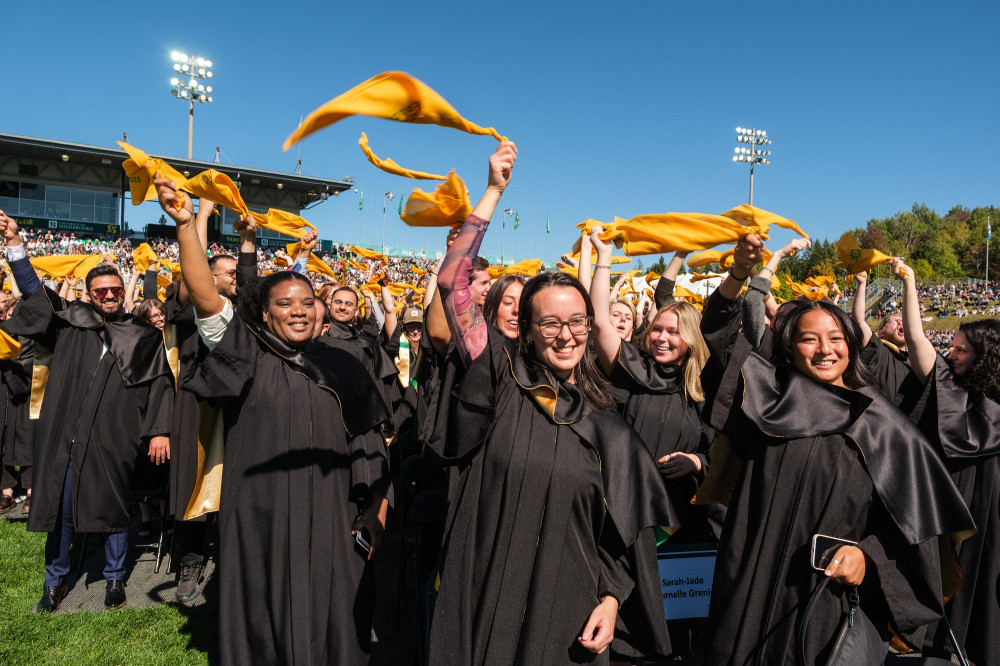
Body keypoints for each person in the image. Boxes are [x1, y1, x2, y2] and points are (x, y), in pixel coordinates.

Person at [427, 142, 677, 664]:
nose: (566, 336)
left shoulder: (608, 423)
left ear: (591, 325)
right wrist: (493, 192)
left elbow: (632, 533)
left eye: (577, 321)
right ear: (528, 331)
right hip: (483, 588)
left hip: (565, 610)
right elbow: (454, 286)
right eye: (549, 323)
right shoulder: (501, 378)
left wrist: (612, 598)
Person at [699, 237, 975, 665]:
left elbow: (914, 535)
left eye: (835, 338)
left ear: (851, 343)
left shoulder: (884, 426)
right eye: (810, 339)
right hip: (747, 584)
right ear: (790, 346)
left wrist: (868, 556)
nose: (825, 349)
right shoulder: (766, 398)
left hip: (824, 599)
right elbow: (717, 338)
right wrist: (739, 276)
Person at [153, 174, 392, 666]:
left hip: (331, 509)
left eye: (307, 302)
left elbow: (369, 439)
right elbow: (204, 299)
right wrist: (185, 224)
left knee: (332, 608)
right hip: (259, 507)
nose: (298, 311)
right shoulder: (246, 352)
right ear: (263, 314)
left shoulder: (345, 362)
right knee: (261, 601)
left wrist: (375, 505)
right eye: (284, 303)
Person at [0, 210, 173, 614]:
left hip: (114, 436)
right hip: (64, 436)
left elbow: (162, 385)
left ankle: (114, 579)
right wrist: (14, 244)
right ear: (88, 293)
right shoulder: (67, 323)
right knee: (58, 510)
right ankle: (54, 582)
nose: (110, 296)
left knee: (111, 507)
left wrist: (159, 431)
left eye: (115, 290)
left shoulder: (142, 336)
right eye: (101, 291)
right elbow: (33, 293)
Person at [589, 227, 714, 660]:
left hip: (675, 523)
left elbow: (721, 450)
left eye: (673, 332)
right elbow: (601, 321)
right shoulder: (631, 369)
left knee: (669, 624)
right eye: (658, 329)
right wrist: (603, 257)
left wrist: (697, 462)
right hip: (620, 513)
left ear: (691, 341)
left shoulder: (702, 390)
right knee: (618, 612)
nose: (662, 337)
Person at [889, 259, 1000, 665]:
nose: (949, 354)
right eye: (950, 346)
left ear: (984, 354)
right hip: (954, 500)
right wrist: (911, 282)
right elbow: (917, 339)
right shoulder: (948, 386)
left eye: (960, 349)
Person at [481, 273, 526, 339]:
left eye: (522, 304)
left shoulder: (537, 347)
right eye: (508, 302)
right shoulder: (478, 346)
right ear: (492, 306)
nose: (516, 310)